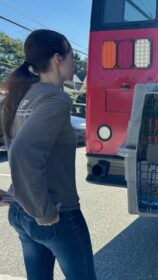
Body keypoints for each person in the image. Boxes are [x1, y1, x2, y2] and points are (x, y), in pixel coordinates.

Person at [1, 29, 97, 280]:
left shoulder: (21, 95)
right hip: (56, 214)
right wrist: (44, 212)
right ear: (57, 59)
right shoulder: (55, 99)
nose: (74, 62)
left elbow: (17, 147)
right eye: (71, 56)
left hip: (19, 211)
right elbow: (23, 151)